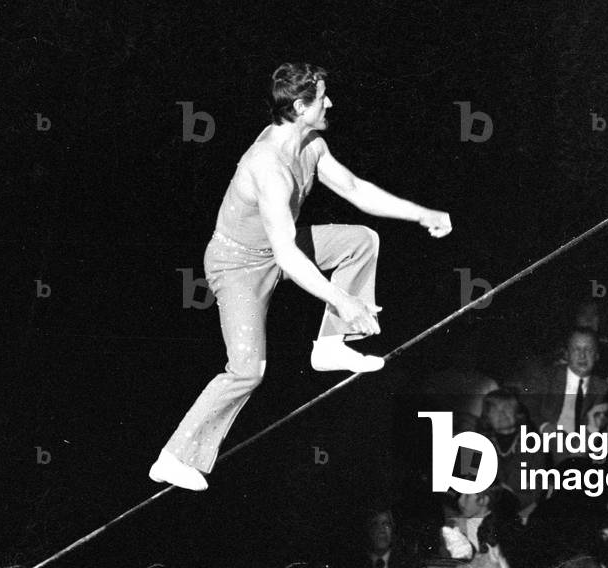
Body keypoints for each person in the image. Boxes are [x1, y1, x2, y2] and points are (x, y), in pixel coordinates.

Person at [149, 63, 452, 490]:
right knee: (247, 371)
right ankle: (173, 457)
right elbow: (288, 257)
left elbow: (354, 189)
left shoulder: (311, 144)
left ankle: (330, 345)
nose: (331, 102)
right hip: (238, 266)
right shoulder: (267, 166)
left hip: (277, 251)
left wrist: (422, 214)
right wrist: (345, 302)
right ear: (298, 106)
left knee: (362, 241)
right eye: (322, 97)